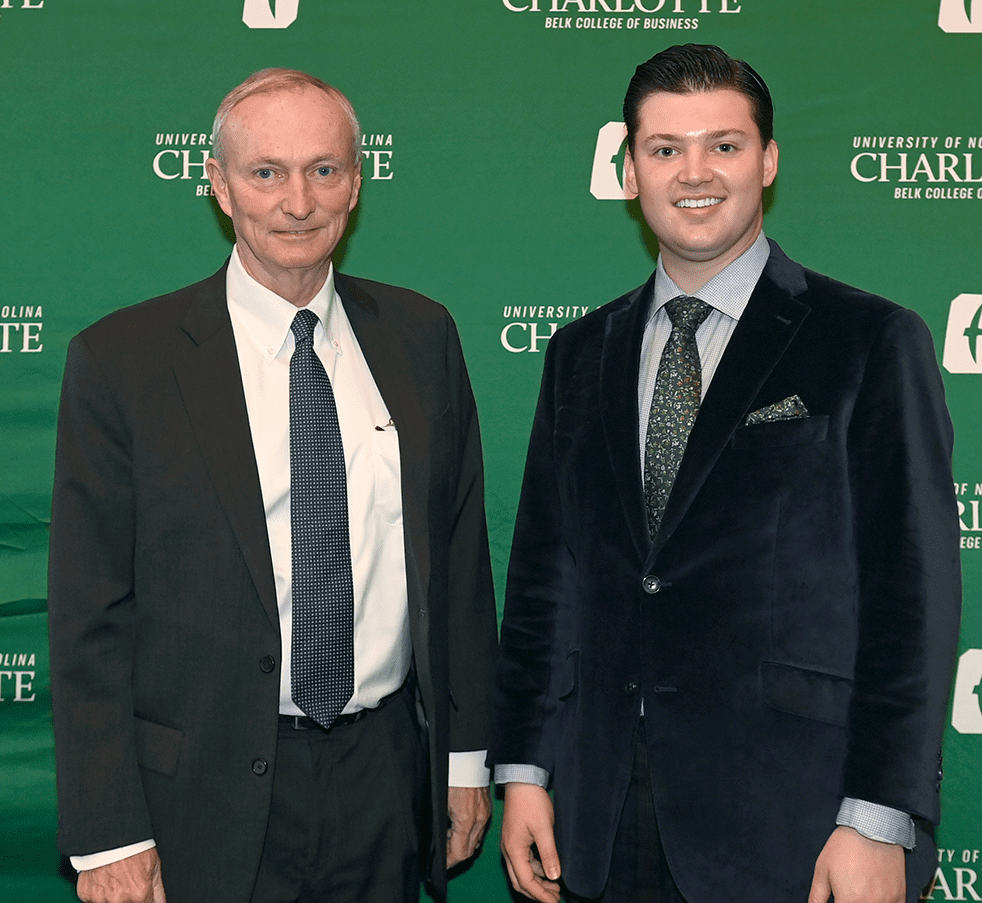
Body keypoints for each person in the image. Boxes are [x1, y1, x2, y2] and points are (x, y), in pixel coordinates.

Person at [490, 44, 960, 903]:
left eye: (725, 145)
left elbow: (911, 599)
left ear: (769, 161)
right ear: (629, 167)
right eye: (665, 149)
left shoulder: (867, 341)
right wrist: (524, 768)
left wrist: (877, 818)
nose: (694, 172)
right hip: (603, 820)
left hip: (800, 820)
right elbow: (545, 580)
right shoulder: (579, 354)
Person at [48, 68, 497, 903]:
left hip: (386, 783)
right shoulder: (123, 362)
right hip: (199, 796)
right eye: (267, 173)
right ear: (219, 186)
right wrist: (108, 830)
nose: (298, 201)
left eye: (324, 170)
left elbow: (461, 563)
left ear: (356, 183)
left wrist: (467, 758)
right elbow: (89, 615)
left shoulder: (420, 335)